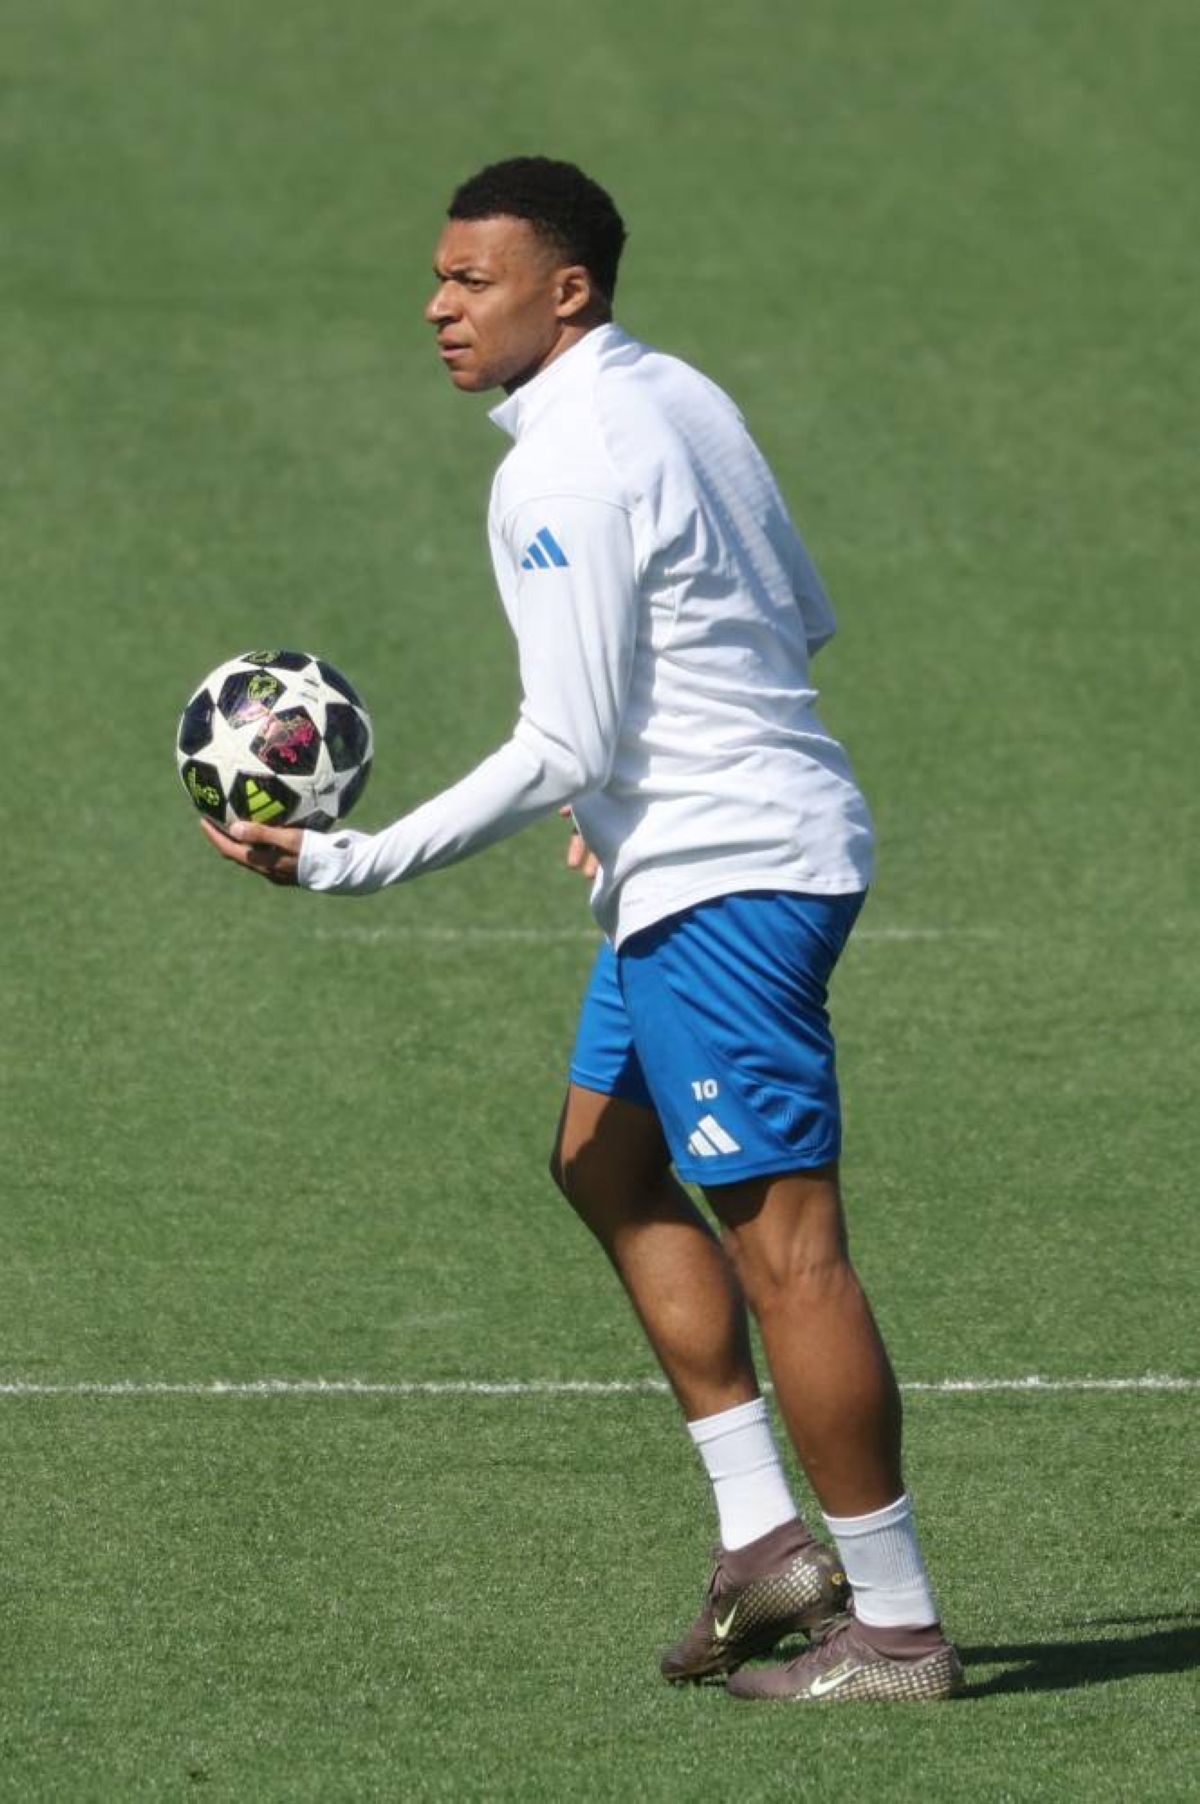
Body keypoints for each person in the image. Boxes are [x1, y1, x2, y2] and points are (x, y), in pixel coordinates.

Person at [202, 155, 962, 1703]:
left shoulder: (556, 469)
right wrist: (628, 782)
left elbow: (561, 739)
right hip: (715, 848)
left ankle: (896, 1627)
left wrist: (353, 860)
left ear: (569, 289)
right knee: (601, 1158)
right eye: (439, 276)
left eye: (471, 281)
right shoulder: (679, 396)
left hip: (726, 878)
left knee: (792, 1258)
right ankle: (765, 1547)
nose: (437, 306)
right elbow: (787, 614)